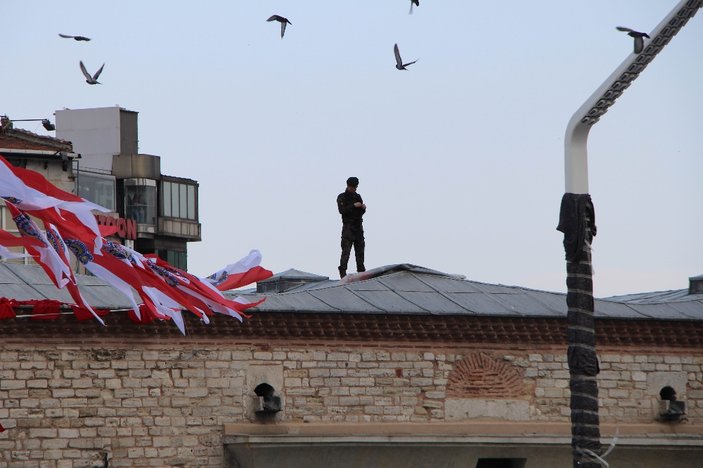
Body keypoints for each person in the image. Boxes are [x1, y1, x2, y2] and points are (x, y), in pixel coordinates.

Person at [337, 176, 366, 278]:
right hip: (348, 228)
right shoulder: (342, 197)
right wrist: (353, 206)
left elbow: (361, 213)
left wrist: (362, 208)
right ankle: (343, 273)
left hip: (358, 228)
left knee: (360, 252)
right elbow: (342, 211)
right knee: (346, 252)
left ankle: (361, 273)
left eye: (355, 187)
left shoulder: (358, 196)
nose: (354, 189)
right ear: (348, 186)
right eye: (353, 187)